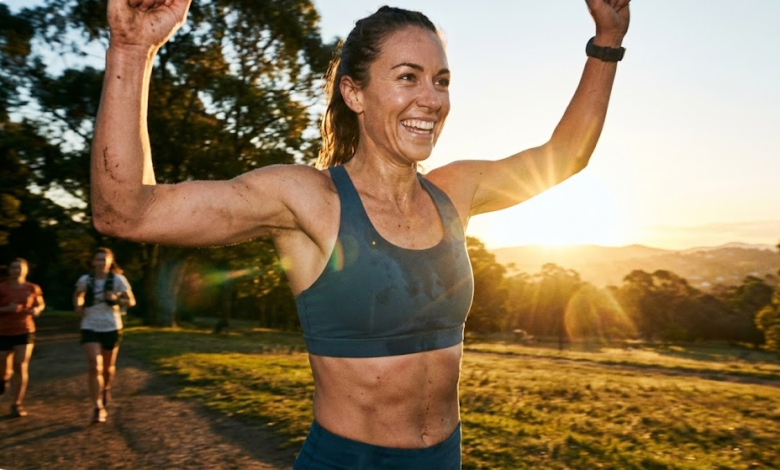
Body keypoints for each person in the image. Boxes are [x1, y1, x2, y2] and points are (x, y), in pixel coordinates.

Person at [91, 0, 629, 466]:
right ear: (355, 93)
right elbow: (125, 212)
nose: (432, 99)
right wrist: (132, 49)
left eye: (441, 80)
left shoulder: (455, 191)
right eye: (407, 77)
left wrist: (607, 40)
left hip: (445, 459)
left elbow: (564, 157)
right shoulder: (307, 199)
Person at [73, 247, 135, 423]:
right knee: (95, 366)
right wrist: (78, 305)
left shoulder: (118, 280)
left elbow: (131, 301)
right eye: (98, 259)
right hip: (89, 325)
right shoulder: (85, 279)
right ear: (93, 262)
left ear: (110, 261)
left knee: (108, 367)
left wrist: (115, 299)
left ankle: (106, 388)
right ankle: (97, 406)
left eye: (104, 259)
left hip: (111, 326)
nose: (101, 263)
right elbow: (78, 295)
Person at [0, 258, 45, 418]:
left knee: (20, 365)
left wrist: (36, 310)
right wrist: (8, 308)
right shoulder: (2, 287)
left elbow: (40, 304)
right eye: (14, 267)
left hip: (25, 330)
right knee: (3, 366)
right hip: (3, 332)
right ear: (9, 270)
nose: (16, 270)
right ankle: (4, 379)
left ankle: (16, 404)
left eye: (20, 268)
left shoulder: (32, 288)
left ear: (25, 270)